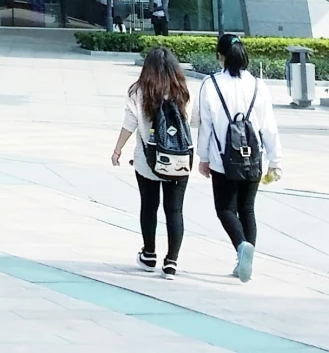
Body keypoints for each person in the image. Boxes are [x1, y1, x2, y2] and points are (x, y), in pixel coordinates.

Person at [196, 34, 281, 281]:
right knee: (247, 209)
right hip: (253, 158)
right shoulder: (258, 85)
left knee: (224, 208)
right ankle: (245, 260)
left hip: (223, 159)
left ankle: (242, 246)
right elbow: (269, 126)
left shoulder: (210, 85)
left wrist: (203, 157)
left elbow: (206, 126)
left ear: (219, 56)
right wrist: (275, 161)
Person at [111, 46, 195, 278]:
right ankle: (171, 262)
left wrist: (117, 150)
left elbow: (130, 124)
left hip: (147, 160)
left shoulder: (138, 91)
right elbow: (193, 121)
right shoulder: (183, 91)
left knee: (149, 207)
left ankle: (149, 254)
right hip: (179, 159)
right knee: (174, 210)